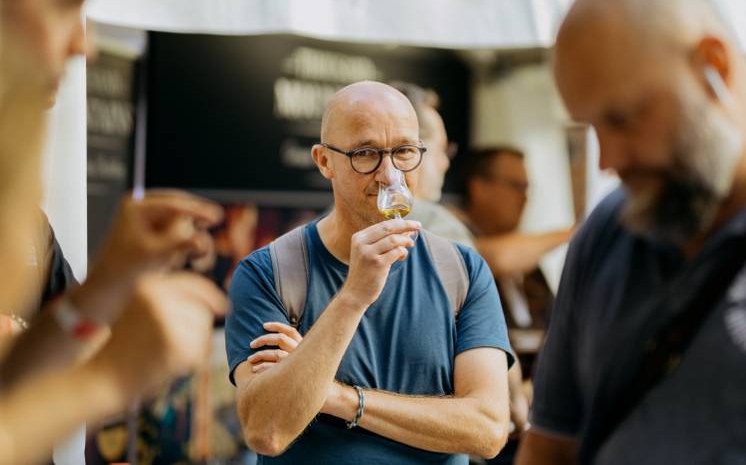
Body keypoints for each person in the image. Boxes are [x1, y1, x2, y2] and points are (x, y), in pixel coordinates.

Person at [517, 0, 746, 464]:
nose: (608, 159)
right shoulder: (609, 229)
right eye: (592, 127)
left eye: (622, 118)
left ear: (715, 66)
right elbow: (550, 448)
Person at [0, 0, 228, 462]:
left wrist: (107, 284)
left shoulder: (23, 218)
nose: (84, 46)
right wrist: (105, 381)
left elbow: (11, 379)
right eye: (65, 4)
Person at [226, 81, 513, 463]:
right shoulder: (270, 273)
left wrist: (337, 396)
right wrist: (353, 297)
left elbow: (488, 430)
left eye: (404, 151)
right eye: (365, 154)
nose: (389, 174)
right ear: (324, 161)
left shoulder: (462, 270)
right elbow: (267, 431)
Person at [463, 148, 571, 376]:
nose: (525, 198)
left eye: (527, 188)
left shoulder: (528, 262)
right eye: (516, 186)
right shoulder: (456, 237)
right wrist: (576, 232)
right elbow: (497, 257)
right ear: (479, 188)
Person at [390, 81, 475, 248]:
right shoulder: (438, 226)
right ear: (409, 151)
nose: (445, 163)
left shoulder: (338, 221)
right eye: (442, 149)